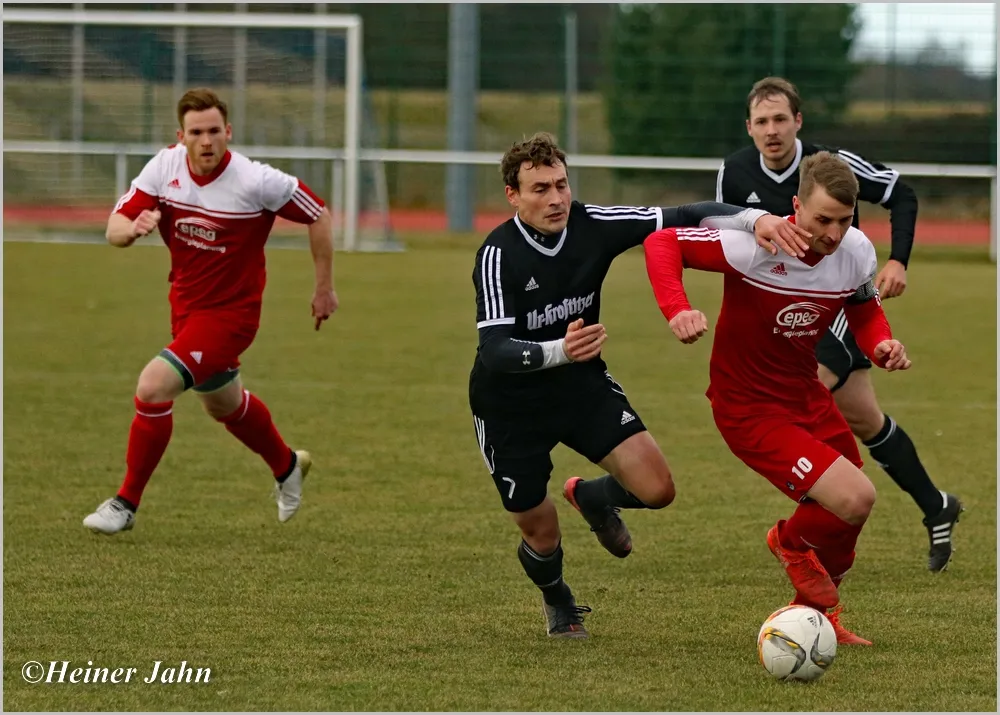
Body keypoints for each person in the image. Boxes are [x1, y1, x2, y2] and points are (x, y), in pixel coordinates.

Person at [469, 131, 810, 639]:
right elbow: (494, 349)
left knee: (657, 489)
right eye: (540, 189)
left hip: (579, 386)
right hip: (509, 405)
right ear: (512, 196)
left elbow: (684, 215)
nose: (556, 198)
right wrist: (561, 349)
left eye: (561, 184)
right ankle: (558, 598)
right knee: (538, 529)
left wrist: (753, 218)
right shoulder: (498, 254)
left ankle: (591, 497)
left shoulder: (592, 225)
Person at [645, 151, 916, 645]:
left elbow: (864, 312)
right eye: (822, 220)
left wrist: (881, 345)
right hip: (747, 408)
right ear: (796, 206)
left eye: (844, 220)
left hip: (806, 396)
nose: (834, 233)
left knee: (849, 511)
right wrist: (677, 309)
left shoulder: (856, 250)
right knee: (855, 497)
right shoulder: (755, 246)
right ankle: (787, 542)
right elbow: (662, 242)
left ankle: (816, 618)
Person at [716, 76, 962, 573]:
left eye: (780, 119)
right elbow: (726, 234)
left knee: (795, 396)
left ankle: (808, 530)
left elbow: (902, 194)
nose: (772, 130)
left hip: (839, 308)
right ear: (749, 127)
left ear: (798, 121)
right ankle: (936, 505)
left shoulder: (832, 166)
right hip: (787, 317)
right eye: (762, 121)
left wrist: (899, 261)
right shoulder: (734, 172)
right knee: (866, 420)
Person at [83, 88, 338, 535]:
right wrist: (133, 229)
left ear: (228, 132)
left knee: (152, 387)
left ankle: (125, 504)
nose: (206, 141)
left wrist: (323, 289)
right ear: (180, 135)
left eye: (214, 131)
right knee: (224, 404)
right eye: (196, 132)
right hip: (186, 310)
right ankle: (287, 466)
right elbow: (114, 228)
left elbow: (318, 213)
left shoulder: (256, 181)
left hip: (232, 317)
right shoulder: (164, 167)